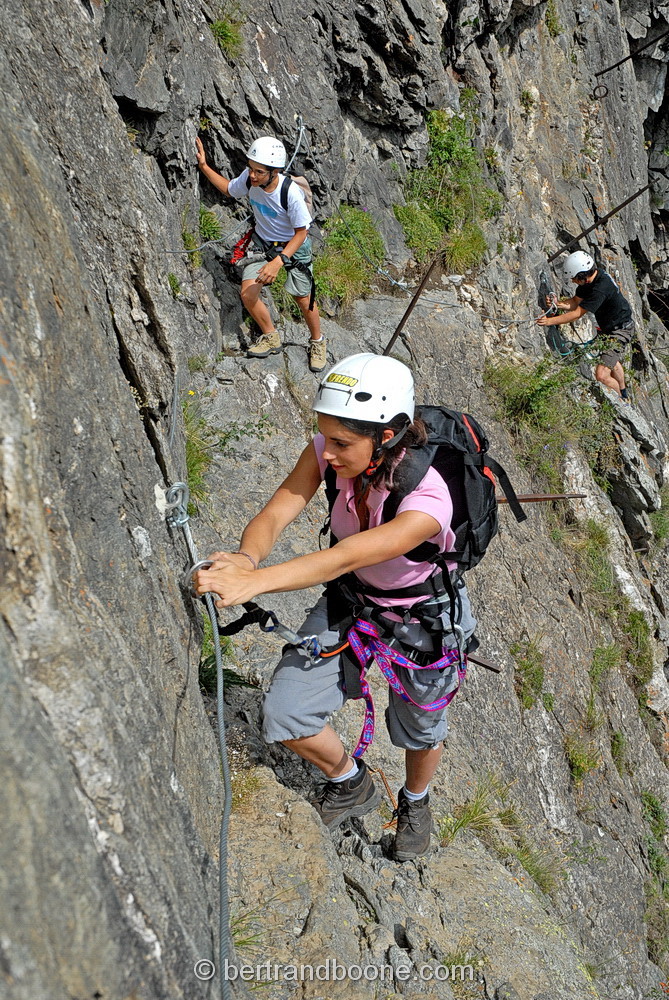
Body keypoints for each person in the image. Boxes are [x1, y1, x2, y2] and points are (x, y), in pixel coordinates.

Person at [193, 354, 477, 862]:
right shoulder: (330, 451)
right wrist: (245, 556)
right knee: (287, 710)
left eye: (343, 443)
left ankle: (416, 801)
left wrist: (253, 583)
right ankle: (351, 783)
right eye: (326, 438)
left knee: (420, 726)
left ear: (388, 436)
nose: (330, 453)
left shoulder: (427, 503)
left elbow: (342, 556)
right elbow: (281, 506)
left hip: (423, 620)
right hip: (354, 603)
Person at [195, 134, 326, 373]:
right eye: (251, 169)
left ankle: (317, 342)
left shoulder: (290, 194)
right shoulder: (250, 179)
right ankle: (270, 336)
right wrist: (203, 166)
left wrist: (278, 262)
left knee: (303, 298)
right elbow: (228, 189)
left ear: (274, 172)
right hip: (264, 243)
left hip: (293, 248)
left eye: (259, 172)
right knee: (248, 294)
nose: (252, 175)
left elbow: (301, 234)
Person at [536, 250, 633, 399]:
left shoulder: (600, 289)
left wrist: (549, 321)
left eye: (574, 278)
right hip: (613, 326)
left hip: (620, 330)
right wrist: (558, 304)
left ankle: (623, 402)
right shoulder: (592, 279)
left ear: (582, 276)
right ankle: (624, 391)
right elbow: (575, 302)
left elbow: (576, 314)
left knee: (601, 375)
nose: (573, 281)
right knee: (612, 359)